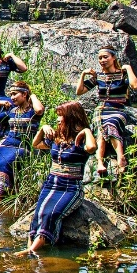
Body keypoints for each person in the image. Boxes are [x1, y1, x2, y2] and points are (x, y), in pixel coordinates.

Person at [22, 101, 97, 256]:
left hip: (70, 187)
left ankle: (32, 250)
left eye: (61, 117)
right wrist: (42, 129)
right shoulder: (57, 137)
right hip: (51, 184)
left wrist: (86, 131)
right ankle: (31, 247)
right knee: (38, 214)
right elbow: (36, 144)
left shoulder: (80, 140)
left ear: (71, 118)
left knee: (51, 214)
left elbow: (92, 148)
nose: (57, 120)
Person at [76, 45, 137, 177]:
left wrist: (128, 68)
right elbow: (79, 91)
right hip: (101, 109)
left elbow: (135, 86)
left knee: (110, 124)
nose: (102, 60)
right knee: (101, 126)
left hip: (118, 109)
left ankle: (120, 156)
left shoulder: (122, 74)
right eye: (100, 58)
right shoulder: (99, 76)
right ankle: (100, 162)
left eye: (105, 57)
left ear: (113, 57)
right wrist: (83, 74)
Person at [0, 80, 45, 205]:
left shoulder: (32, 112)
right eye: (11, 94)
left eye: (15, 94)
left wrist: (32, 95)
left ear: (24, 94)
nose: (12, 97)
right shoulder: (12, 111)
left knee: (5, 165)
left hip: (23, 146)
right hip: (6, 145)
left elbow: (40, 110)